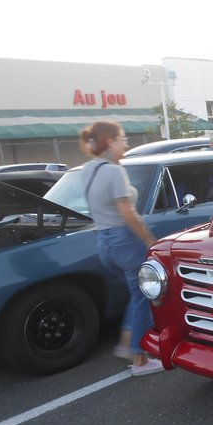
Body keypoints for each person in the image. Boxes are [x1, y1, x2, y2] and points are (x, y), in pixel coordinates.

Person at [79, 121, 164, 376]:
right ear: (110, 141)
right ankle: (139, 360)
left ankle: (127, 344)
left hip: (103, 242)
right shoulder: (115, 172)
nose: (126, 142)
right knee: (144, 296)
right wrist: (150, 241)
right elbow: (128, 212)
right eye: (123, 138)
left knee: (135, 293)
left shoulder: (88, 169)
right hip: (124, 240)